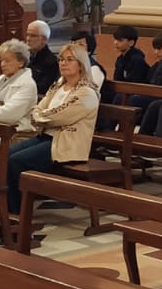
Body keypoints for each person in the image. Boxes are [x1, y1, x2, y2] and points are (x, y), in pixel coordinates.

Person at [6, 43, 102, 214]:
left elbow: (60, 116)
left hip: (66, 144)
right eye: (61, 59)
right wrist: (41, 117)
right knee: (5, 155)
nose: (63, 63)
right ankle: (6, 209)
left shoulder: (86, 92)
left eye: (69, 60)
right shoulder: (58, 86)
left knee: (16, 162)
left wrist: (41, 118)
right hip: (46, 136)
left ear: (81, 64)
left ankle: (17, 215)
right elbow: (37, 108)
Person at [0, 39, 39, 156]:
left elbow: (8, 115)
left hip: (12, 134)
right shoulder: (0, 79)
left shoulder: (27, 84)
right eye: (1, 60)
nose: (2, 64)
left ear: (21, 62)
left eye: (7, 61)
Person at [24, 20, 59, 96]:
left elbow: (43, 89)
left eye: (33, 36)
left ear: (44, 39)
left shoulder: (51, 62)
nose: (28, 39)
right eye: (27, 35)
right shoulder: (24, 56)